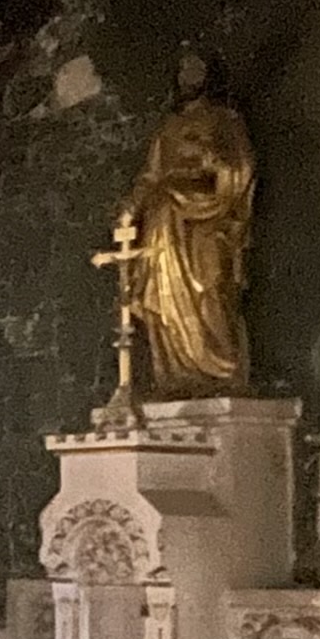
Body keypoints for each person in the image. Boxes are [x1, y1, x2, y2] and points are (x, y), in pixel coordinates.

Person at [132, 49, 255, 396]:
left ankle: (221, 369)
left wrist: (210, 159)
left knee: (210, 286)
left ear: (209, 75)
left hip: (208, 217)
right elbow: (150, 176)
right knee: (164, 297)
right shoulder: (169, 128)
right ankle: (175, 375)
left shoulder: (224, 121)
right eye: (183, 70)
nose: (189, 76)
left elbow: (241, 168)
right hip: (164, 223)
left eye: (196, 69)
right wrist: (131, 207)